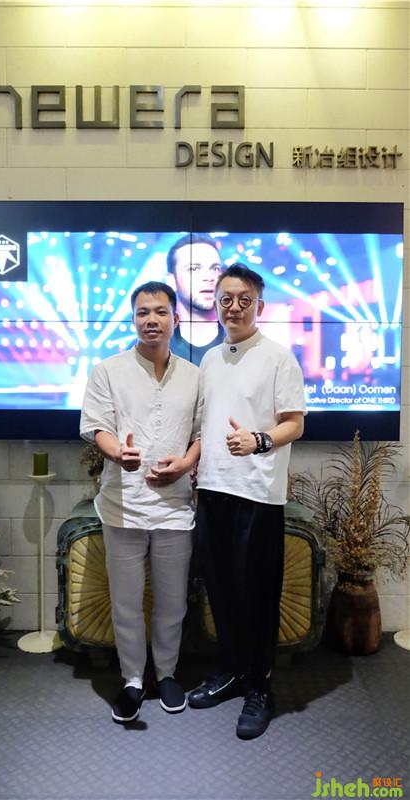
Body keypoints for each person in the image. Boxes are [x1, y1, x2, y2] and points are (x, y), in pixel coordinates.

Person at [188, 264, 306, 740]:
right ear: (216, 304)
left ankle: (260, 686)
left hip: (257, 494)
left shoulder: (279, 358)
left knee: (257, 595)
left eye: (244, 299)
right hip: (214, 490)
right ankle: (232, 671)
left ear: (260, 305)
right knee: (221, 590)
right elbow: (205, 423)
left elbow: (295, 423)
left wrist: (258, 440)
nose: (233, 307)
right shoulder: (210, 359)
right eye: (226, 299)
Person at [80, 281, 202, 725]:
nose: (152, 320)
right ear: (133, 319)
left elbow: (201, 434)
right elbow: (96, 425)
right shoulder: (107, 370)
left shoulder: (194, 375)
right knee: (126, 602)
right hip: (123, 505)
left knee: (172, 601)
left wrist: (185, 462)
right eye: (143, 312)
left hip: (174, 506)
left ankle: (166, 674)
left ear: (175, 319)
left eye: (160, 311)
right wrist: (118, 453)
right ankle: (132, 679)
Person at [166, 234, 225, 364]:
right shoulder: (150, 348)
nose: (209, 277)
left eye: (215, 268)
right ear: (172, 281)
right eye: (194, 269)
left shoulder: (244, 344)